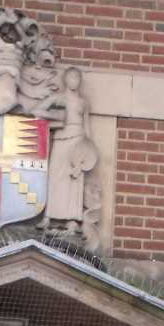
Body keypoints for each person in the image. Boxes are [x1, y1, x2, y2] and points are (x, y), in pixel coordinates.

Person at [42, 67, 98, 233]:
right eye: (72, 77)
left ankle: (72, 219)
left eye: (77, 78)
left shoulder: (83, 103)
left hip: (77, 140)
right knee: (55, 175)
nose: (75, 81)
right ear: (66, 79)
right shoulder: (59, 99)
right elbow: (38, 111)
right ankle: (49, 216)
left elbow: (87, 128)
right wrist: (54, 118)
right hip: (61, 138)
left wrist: (89, 150)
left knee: (74, 180)